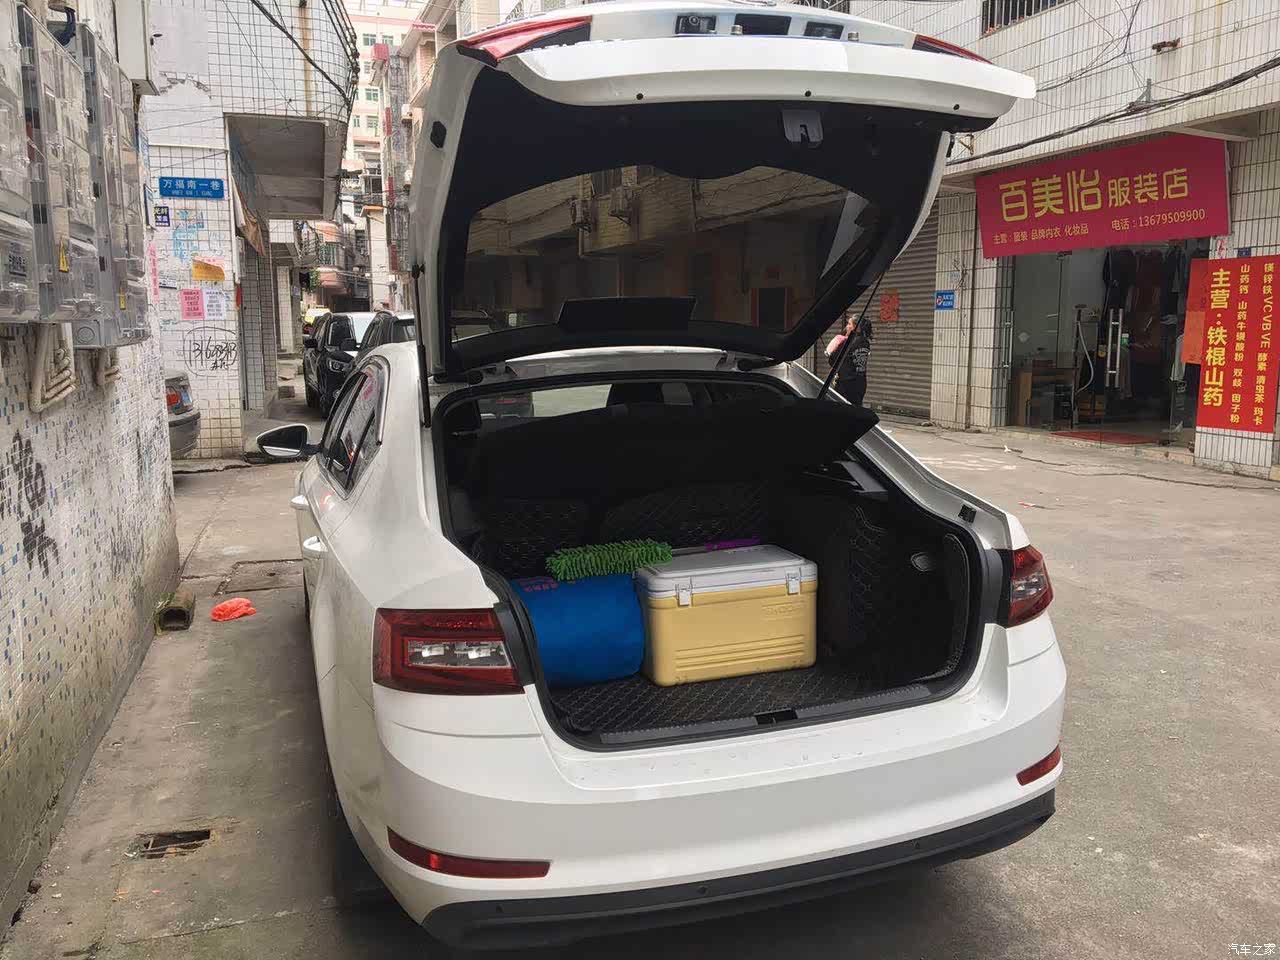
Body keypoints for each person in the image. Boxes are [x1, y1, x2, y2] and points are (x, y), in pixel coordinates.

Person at [828, 316, 873, 406]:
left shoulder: (848, 342)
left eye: (849, 324)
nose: (847, 327)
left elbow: (832, 360)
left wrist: (834, 347)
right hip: (860, 384)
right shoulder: (865, 342)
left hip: (845, 385)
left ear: (855, 327)